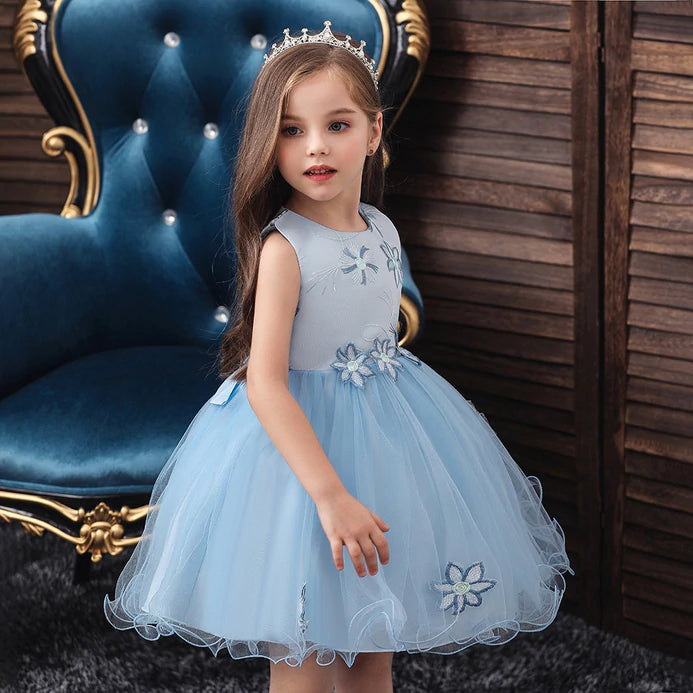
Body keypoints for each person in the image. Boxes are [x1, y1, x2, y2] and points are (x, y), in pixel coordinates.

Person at [103, 20, 574, 693]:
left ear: (374, 132)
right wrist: (328, 496)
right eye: (291, 130)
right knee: (302, 650)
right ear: (269, 143)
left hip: (383, 438)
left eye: (337, 125)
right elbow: (265, 384)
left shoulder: (382, 229)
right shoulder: (284, 249)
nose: (315, 146)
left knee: (370, 644)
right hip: (295, 466)